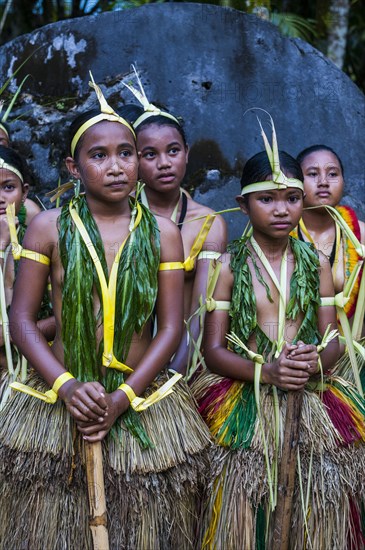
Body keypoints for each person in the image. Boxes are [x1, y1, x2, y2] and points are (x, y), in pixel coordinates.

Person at [0, 77, 211, 549]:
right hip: (60, 395)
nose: (116, 167)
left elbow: (172, 326)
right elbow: (21, 321)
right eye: (100, 156)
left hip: (140, 399)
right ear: (74, 167)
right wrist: (68, 386)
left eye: (126, 153)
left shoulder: (162, 233)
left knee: (145, 526)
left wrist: (124, 399)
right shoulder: (47, 227)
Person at [192, 118, 365, 548]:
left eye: (291, 198)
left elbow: (334, 339)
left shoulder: (316, 264)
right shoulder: (226, 266)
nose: (282, 209)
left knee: (313, 507)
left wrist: (314, 362)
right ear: (244, 204)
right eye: (267, 199)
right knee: (246, 508)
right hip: (244, 395)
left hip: (310, 396)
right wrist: (267, 373)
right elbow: (213, 350)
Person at [122, 69, 227, 377]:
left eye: (173, 151)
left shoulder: (208, 223)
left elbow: (199, 311)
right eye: (149, 154)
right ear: (132, 159)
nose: (164, 163)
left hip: (180, 360)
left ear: (186, 154)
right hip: (119, 362)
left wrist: (173, 376)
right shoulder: (117, 217)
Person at [293, 145, 365, 388]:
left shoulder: (361, 236)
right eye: (312, 174)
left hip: (353, 367)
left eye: (332, 174)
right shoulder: (279, 235)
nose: (323, 181)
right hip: (296, 362)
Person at [0, 145, 53, 406]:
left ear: (24, 193)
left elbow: (67, 314)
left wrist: (13, 335)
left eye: (8, 187)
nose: (0, 198)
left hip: (35, 374)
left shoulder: (41, 243)